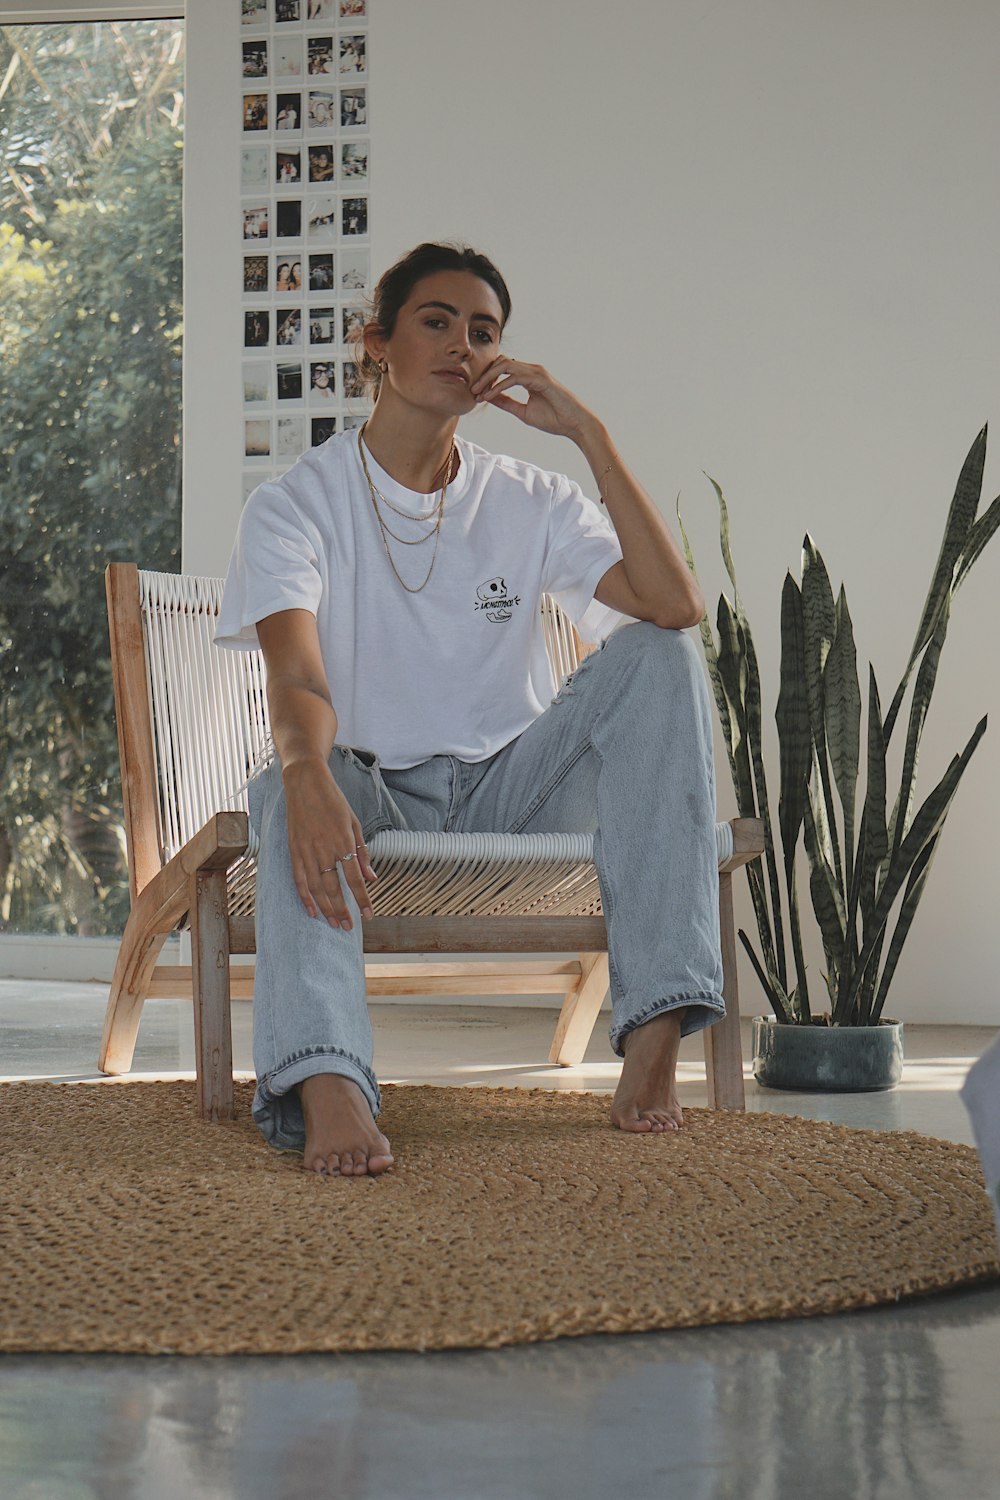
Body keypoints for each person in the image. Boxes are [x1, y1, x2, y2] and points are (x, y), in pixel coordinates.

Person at [215, 241, 722, 1180]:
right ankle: (329, 1083)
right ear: (377, 343)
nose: (462, 344)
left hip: (512, 792)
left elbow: (673, 605)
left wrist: (588, 433)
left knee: (660, 653)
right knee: (287, 787)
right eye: (436, 321)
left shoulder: (531, 497)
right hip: (374, 796)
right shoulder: (296, 505)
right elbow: (297, 680)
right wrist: (304, 771)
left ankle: (655, 1031)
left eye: (482, 330)